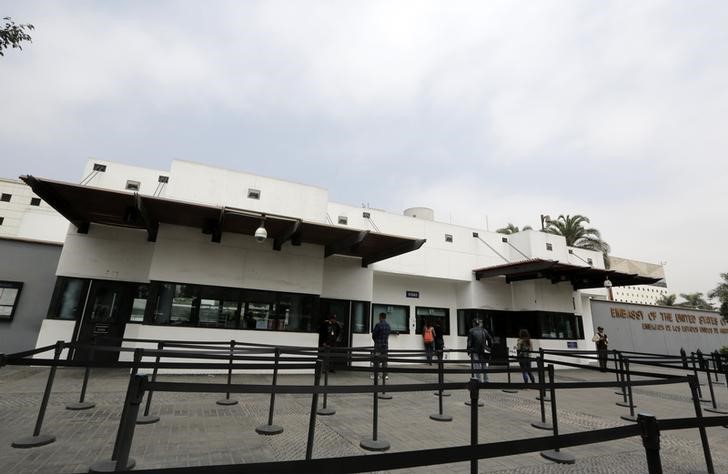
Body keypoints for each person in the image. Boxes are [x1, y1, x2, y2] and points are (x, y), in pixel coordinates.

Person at [371, 312, 391, 380]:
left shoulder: (378, 325)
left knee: (377, 360)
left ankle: (377, 375)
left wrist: (376, 341)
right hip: (385, 346)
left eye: (379, 316)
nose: (378, 318)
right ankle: (385, 375)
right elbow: (388, 334)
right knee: (385, 361)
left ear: (381, 317)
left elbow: (374, 335)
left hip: (378, 346)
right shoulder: (388, 325)